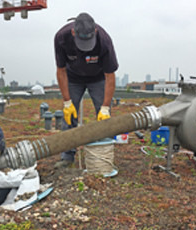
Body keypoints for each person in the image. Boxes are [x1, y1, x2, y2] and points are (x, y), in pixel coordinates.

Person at [53, 12, 118, 169]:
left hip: (98, 78)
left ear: (94, 32)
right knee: (69, 118)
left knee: (105, 119)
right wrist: (67, 102)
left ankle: (103, 158)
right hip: (73, 78)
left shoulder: (104, 40)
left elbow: (110, 76)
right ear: (74, 32)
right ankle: (67, 157)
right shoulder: (61, 38)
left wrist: (105, 107)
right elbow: (60, 70)